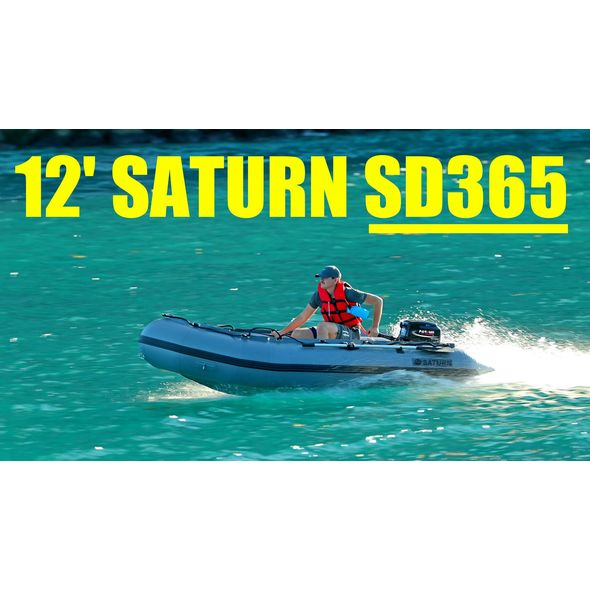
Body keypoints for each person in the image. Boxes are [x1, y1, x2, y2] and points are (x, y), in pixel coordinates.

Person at [275, 266, 383, 340]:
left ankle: (323, 357)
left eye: (325, 277)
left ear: (335, 280)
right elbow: (303, 317)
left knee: (322, 326)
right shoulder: (318, 296)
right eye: (321, 277)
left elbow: (378, 301)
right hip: (332, 331)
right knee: (297, 333)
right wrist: (282, 332)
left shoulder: (349, 293)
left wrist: (375, 327)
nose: (321, 280)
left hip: (352, 332)